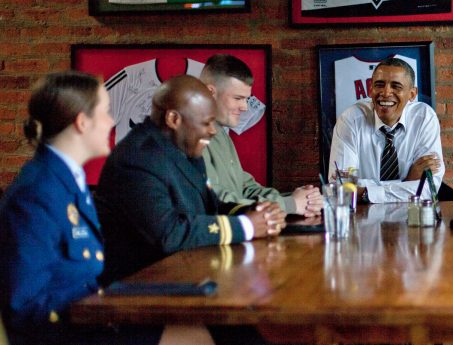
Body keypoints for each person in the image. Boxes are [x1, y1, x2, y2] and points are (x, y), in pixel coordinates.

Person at [0, 72, 160, 345]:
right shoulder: (36, 193)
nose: (111, 121)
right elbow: (24, 305)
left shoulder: (66, 179)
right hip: (65, 335)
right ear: (82, 122)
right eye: (105, 112)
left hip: (90, 323)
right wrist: (99, 313)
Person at [96, 75, 285, 285]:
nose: (213, 131)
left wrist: (255, 213)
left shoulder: (182, 147)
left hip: (186, 275)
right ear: (173, 119)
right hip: (141, 291)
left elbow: (210, 207)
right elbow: (169, 235)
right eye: (206, 123)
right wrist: (245, 226)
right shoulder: (137, 159)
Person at [199, 54, 322, 216]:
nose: (244, 107)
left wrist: (301, 199)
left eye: (246, 99)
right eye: (238, 98)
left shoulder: (220, 133)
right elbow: (217, 201)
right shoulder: (193, 137)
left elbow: (245, 188)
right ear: (210, 92)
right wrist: (290, 204)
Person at [328, 57, 444, 203]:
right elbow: (341, 188)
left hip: (412, 213)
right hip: (363, 214)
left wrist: (364, 191)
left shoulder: (424, 118)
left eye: (396, 86)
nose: (386, 92)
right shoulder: (350, 120)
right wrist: (407, 182)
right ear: (370, 90)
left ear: (412, 94)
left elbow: (428, 188)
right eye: (379, 85)